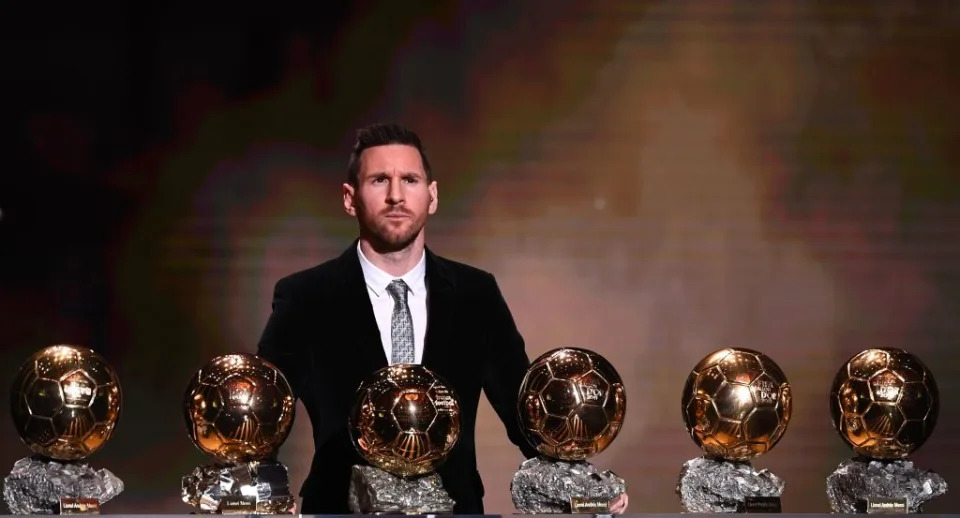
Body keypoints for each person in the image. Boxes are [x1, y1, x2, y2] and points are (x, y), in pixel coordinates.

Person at [257, 122, 627, 514]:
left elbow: (527, 416)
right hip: (341, 511)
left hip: (455, 511)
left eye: (410, 180)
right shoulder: (306, 296)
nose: (396, 195)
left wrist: (583, 486)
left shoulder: (476, 294)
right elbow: (263, 416)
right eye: (380, 180)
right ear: (350, 198)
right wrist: (260, 498)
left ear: (432, 196)